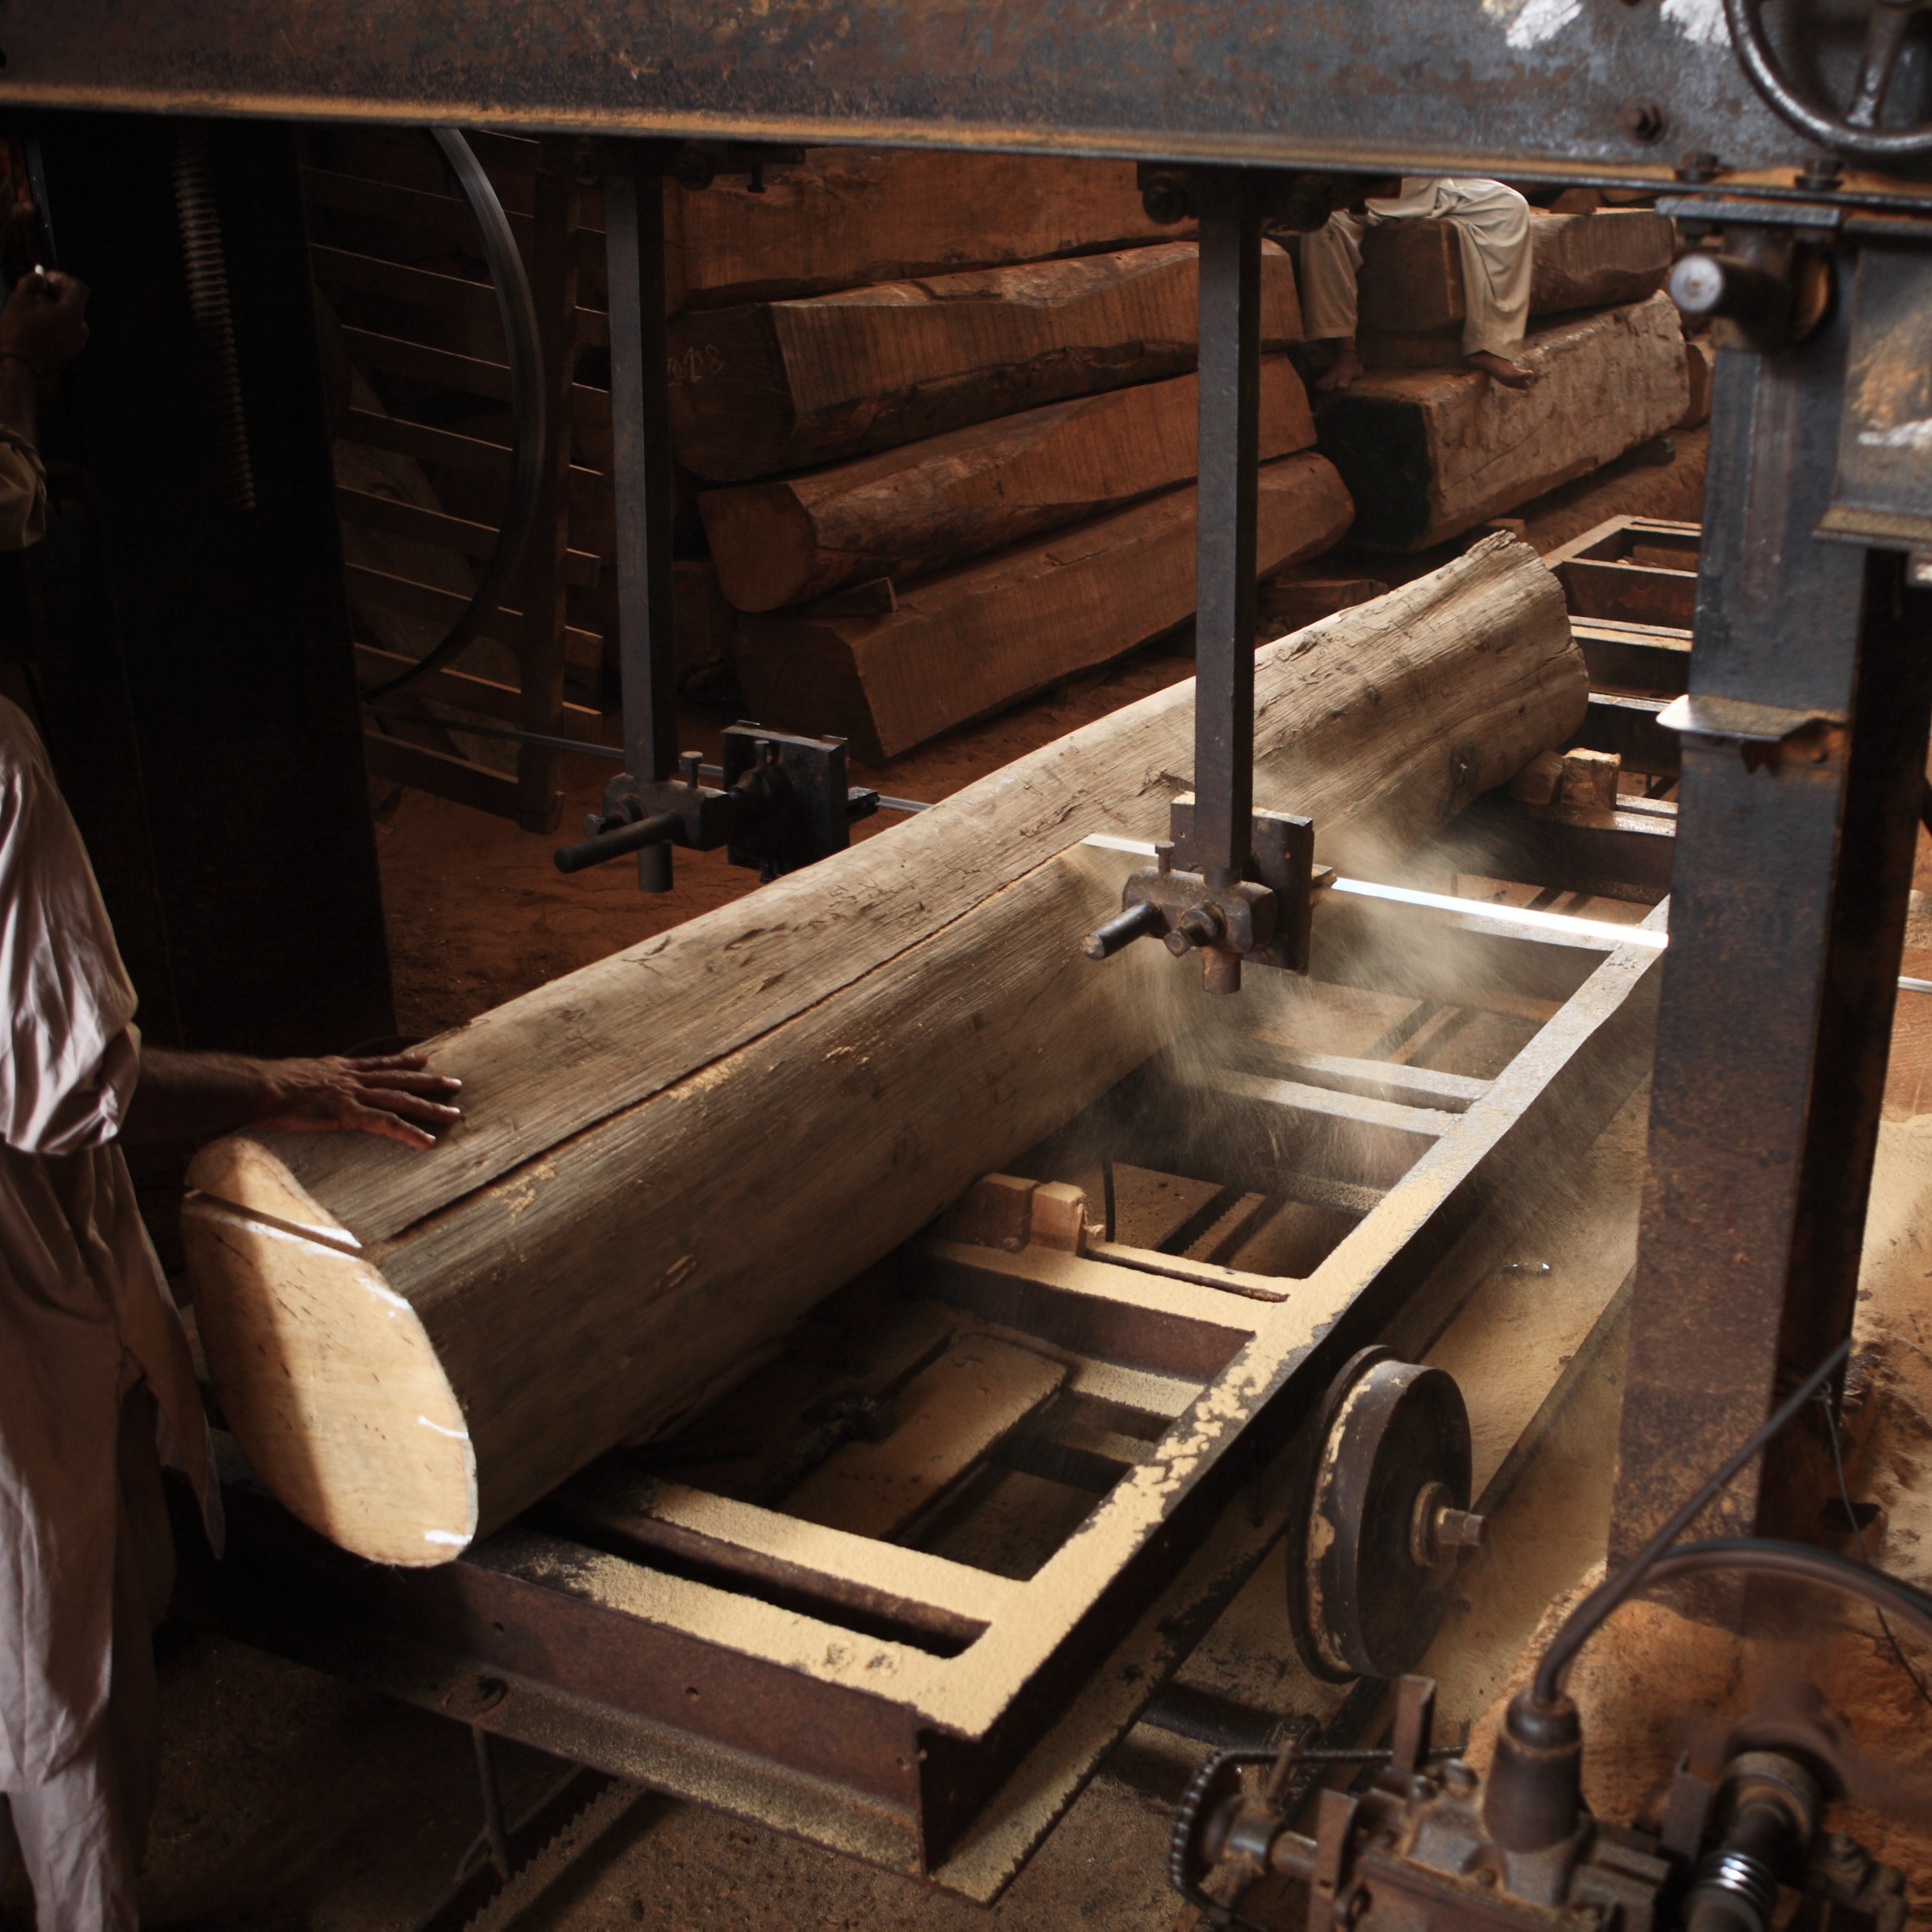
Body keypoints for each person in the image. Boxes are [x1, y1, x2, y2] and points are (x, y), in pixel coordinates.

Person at [0, 264, 463, 1929]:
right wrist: (297, 1079)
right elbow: (73, 1091)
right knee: (57, 1662)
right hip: (10, 1269)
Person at [1299, 176, 1537, 393]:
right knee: (1323, 224)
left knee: (1509, 206)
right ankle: (1346, 351)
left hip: (1428, 182)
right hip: (1361, 189)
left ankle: (1489, 346)